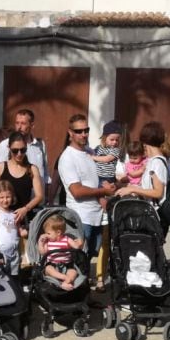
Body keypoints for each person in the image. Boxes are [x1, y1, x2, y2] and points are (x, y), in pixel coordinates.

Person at [57, 115, 116, 279]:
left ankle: (84, 297)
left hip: (96, 215)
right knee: (77, 261)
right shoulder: (67, 157)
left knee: (87, 260)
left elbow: (94, 181)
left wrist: (105, 192)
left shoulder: (90, 153)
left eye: (86, 130)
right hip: (81, 217)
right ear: (70, 133)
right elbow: (77, 191)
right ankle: (74, 298)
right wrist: (103, 192)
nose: (83, 134)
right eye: (78, 131)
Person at [0, 131, 44, 221]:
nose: (19, 154)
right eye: (15, 151)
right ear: (9, 148)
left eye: (23, 150)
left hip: (24, 218)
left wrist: (25, 209)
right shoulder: (1, 167)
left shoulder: (32, 169)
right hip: (4, 218)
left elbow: (39, 196)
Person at [0, 108, 49, 184]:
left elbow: (45, 174)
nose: (19, 127)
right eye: (17, 123)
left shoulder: (40, 145)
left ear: (32, 125)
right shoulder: (5, 145)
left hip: (38, 193)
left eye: (23, 123)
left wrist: (47, 194)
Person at [37, 213, 85, 290]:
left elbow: (76, 247)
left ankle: (65, 283)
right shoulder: (48, 242)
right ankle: (64, 278)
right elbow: (43, 253)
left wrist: (80, 242)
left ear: (58, 232)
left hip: (67, 265)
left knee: (73, 272)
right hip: (53, 265)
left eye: (48, 233)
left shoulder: (67, 239)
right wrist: (40, 243)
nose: (46, 235)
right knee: (48, 269)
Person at [0, 180, 23, 274]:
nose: (5, 200)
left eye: (8, 197)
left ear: (12, 197)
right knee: (1, 276)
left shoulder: (14, 213)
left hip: (15, 252)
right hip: (1, 252)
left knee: (14, 277)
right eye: (2, 197)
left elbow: (20, 231)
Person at [91, 121, 124, 195]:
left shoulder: (116, 150)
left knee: (105, 193)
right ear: (104, 138)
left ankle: (107, 205)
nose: (115, 142)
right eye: (112, 140)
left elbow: (107, 159)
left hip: (108, 177)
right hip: (98, 176)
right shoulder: (99, 148)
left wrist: (93, 157)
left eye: (117, 140)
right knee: (99, 194)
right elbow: (92, 153)